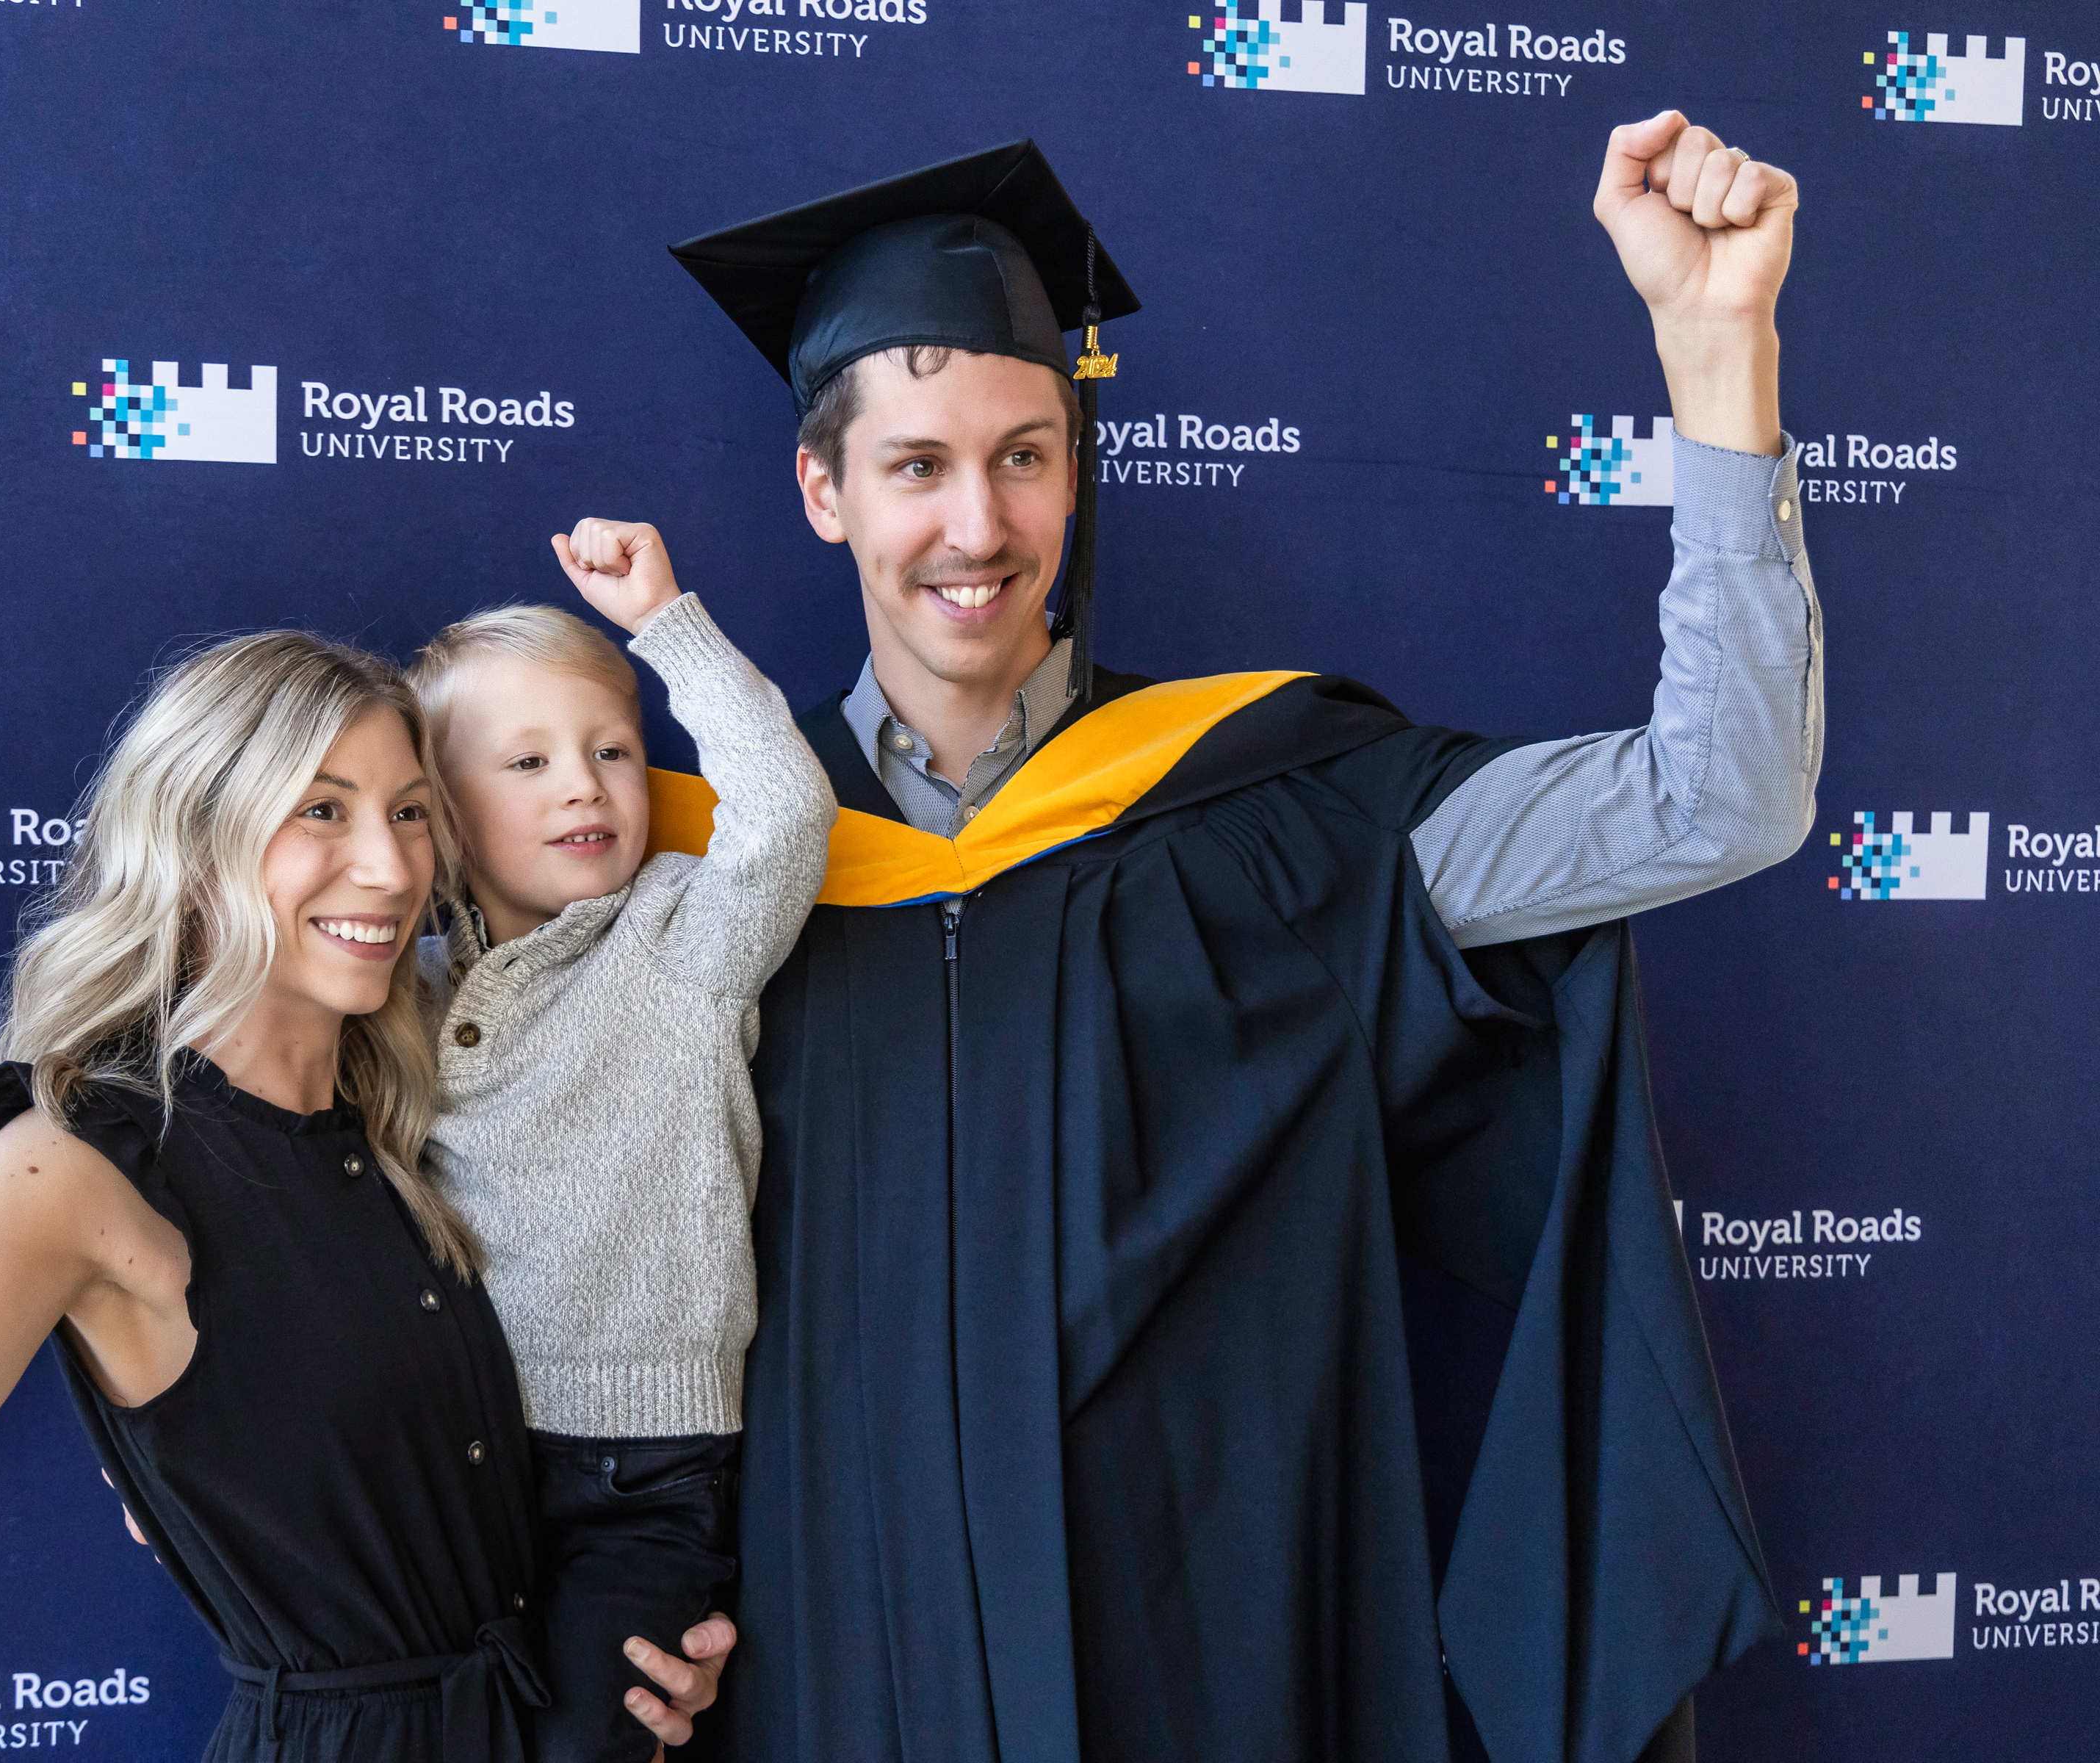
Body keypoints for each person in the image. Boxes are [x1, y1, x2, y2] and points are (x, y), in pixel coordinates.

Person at [652, 118, 1817, 1762]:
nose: (978, 527)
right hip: (838, 1652)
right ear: (822, 490)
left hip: (1210, 1656)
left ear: (1077, 463)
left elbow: (1722, 801)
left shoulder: (1280, 807)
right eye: (916, 465)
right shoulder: (691, 866)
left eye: (1027, 454)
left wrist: (1718, 351)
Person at [0, 633, 731, 1763]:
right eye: (321, 811)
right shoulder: (85, 1158)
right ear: (194, 841)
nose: (391, 870)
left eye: (409, 812)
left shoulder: (410, 1113)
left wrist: (628, 1644)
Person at [405, 522, 833, 1763]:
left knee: (595, 1741)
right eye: (526, 763)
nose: (584, 785)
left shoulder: (682, 936)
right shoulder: (403, 993)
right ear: (436, 816)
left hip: (647, 1480)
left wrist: (668, 626)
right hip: (459, 1456)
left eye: (612, 751)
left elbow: (787, 810)